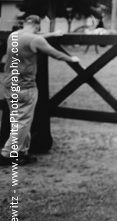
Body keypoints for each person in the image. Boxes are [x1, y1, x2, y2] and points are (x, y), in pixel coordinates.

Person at [1, 15, 80, 165]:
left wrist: (51, 34)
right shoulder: (36, 40)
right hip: (26, 86)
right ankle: (8, 153)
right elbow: (54, 53)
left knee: (19, 119)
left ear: (24, 24)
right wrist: (72, 59)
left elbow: (33, 38)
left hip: (9, 84)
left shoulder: (14, 36)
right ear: (38, 26)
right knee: (23, 122)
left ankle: (21, 151)